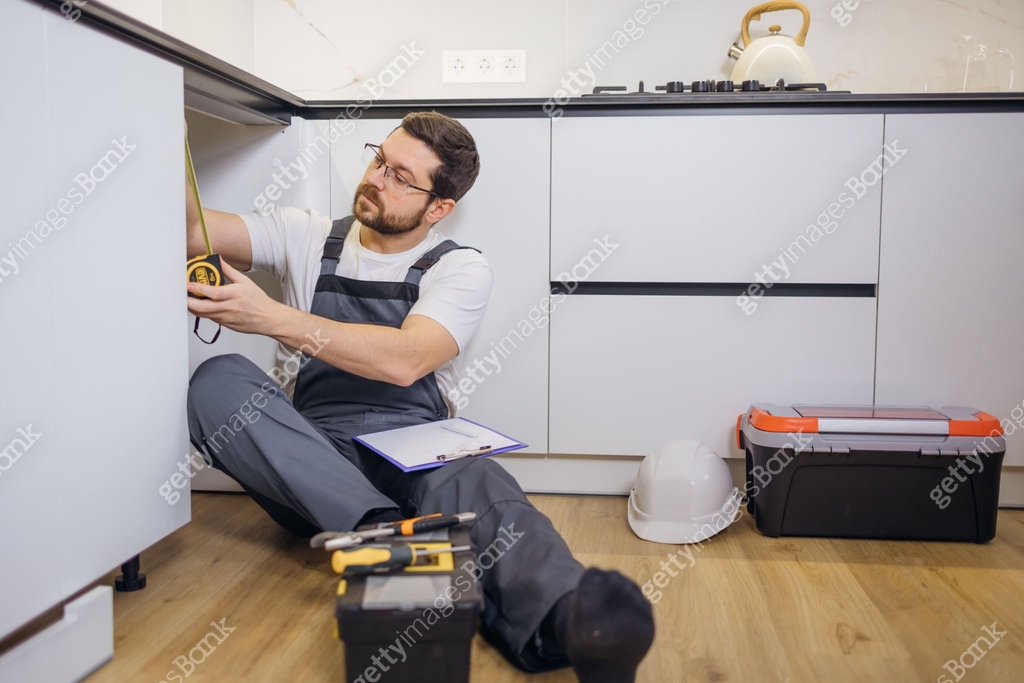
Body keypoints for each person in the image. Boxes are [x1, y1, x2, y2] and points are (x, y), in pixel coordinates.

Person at [184, 111, 654, 681]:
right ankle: (393, 530)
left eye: (401, 177)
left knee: (481, 481)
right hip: (312, 458)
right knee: (217, 381)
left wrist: (271, 316)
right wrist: (169, 135)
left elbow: (406, 361)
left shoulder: (459, 268)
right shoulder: (305, 232)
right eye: (379, 159)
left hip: (413, 444)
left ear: (438, 207)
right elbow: (192, 231)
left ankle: (572, 618)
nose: (376, 178)